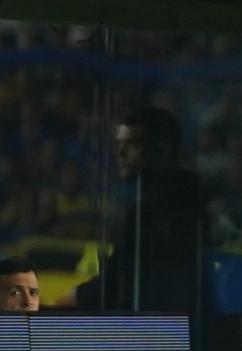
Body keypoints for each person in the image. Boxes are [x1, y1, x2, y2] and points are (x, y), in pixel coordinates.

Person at [73, 106, 203, 319]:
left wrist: (78, 295)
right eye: (119, 144)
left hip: (159, 331)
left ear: (164, 148)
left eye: (132, 144)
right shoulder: (180, 194)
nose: (120, 152)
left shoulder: (156, 206)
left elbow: (120, 277)